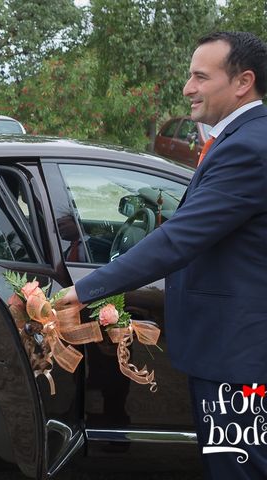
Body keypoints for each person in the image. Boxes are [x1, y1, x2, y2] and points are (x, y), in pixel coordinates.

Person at [60, 31, 267, 479]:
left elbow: (181, 239)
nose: (187, 88)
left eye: (199, 77)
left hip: (237, 355)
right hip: (230, 349)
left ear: (242, 81)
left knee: (238, 468)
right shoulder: (243, 138)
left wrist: (84, 290)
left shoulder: (249, 148)